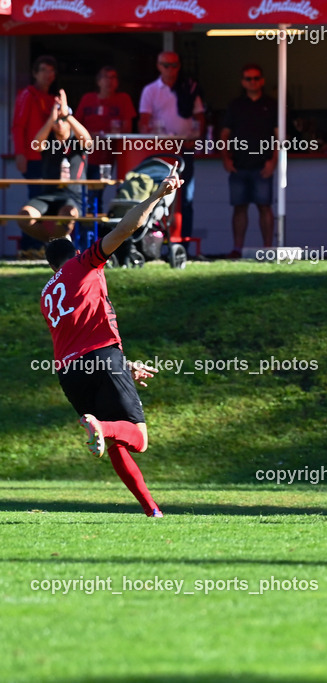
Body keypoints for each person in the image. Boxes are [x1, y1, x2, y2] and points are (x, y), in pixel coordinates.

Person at [40, 170, 183, 517]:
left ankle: (152, 510)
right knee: (137, 437)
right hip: (101, 358)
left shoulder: (47, 293)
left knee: (117, 445)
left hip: (70, 372)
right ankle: (100, 426)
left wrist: (125, 364)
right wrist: (156, 197)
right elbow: (124, 230)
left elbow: (79, 333)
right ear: (72, 253)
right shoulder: (83, 264)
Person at [138, 51, 205, 240]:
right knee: (156, 195)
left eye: (174, 65)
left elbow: (200, 118)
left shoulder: (189, 88)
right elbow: (144, 121)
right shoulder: (151, 90)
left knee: (186, 198)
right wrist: (152, 136)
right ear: (159, 66)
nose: (170, 70)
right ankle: (153, 239)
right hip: (160, 150)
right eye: (166, 65)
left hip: (184, 148)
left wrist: (196, 136)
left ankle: (182, 242)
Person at [14, 88, 91, 243]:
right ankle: (54, 244)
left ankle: (56, 246)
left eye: (63, 120)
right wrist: (51, 119)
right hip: (48, 194)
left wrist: (67, 115)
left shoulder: (77, 142)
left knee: (66, 216)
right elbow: (35, 146)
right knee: (24, 217)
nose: (60, 123)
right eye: (57, 120)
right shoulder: (48, 140)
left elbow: (88, 141)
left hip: (73, 196)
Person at [220, 63, 277, 258]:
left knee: (265, 206)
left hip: (263, 164)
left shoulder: (271, 105)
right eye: (248, 79)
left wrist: (273, 161)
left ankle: (268, 249)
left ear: (262, 81)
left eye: (255, 78)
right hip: (239, 165)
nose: (252, 82)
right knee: (239, 207)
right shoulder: (235, 105)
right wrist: (226, 159)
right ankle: (237, 249)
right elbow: (224, 134)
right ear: (242, 82)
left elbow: (279, 136)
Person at [11, 55, 58, 257]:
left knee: (44, 202)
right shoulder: (27, 95)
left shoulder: (51, 99)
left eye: (51, 71)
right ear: (35, 74)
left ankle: (38, 247)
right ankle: (28, 247)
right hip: (33, 158)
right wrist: (20, 153)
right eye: (44, 70)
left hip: (49, 160)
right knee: (35, 201)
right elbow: (17, 126)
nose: (48, 75)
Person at [76, 66, 136, 209]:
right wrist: (91, 135)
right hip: (85, 155)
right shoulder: (88, 98)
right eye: (105, 77)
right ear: (98, 81)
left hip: (109, 156)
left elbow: (127, 129)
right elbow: (75, 126)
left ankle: (96, 230)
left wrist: (107, 135)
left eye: (113, 77)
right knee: (80, 195)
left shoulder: (123, 99)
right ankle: (85, 229)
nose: (109, 81)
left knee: (96, 196)